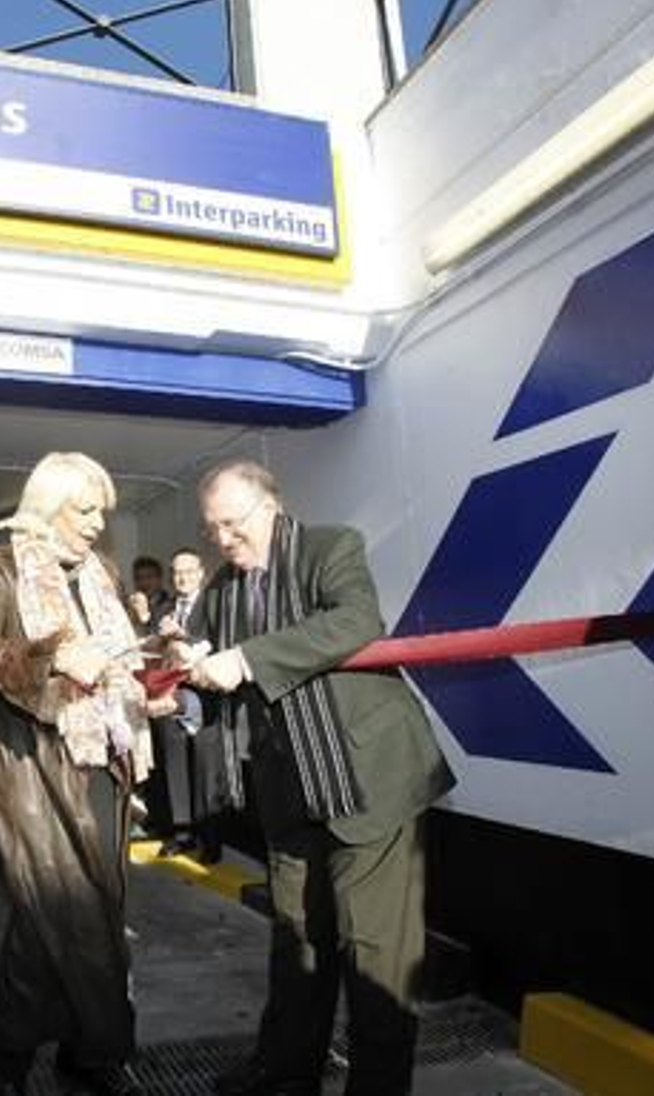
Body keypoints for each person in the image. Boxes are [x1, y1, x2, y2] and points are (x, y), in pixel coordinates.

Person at [182, 460, 455, 1096]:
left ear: (270, 505)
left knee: (375, 951)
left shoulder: (331, 547)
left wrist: (247, 659)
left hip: (369, 777)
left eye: (232, 523)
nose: (222, 539)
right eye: (211, 528)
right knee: (297, 936)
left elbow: (357, 622)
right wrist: (186, 664)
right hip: (288, 787)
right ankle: (286, 1070)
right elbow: (204, 658)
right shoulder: (221, 589)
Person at [0, 452, 175, 1096]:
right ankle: (14, 1061)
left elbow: (119, 661)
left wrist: (155, 680)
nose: (96, 524)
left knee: (95, 910)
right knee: (48, 912)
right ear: (49, 508)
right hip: (32, 760)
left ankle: (78, 1053)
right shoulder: (3, 565)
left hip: (103, 758)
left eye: (101, 512)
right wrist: (51, 658)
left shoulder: (103, 573)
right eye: (84, 511)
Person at [149, 546, 226, 863]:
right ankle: (181, 834)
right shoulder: (163, 608)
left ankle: (211, 840)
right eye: (176, 572)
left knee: (207, 770)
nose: (181, 578)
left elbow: (221, 644)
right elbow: (155, 650)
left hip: (205, 698)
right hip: (170, 695)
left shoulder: (214, 604)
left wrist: (183, 636)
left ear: (201, 573)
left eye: (188, 571)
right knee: (174, 765)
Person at [126, 555, 171, 629]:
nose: (144, 582)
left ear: (159, 578)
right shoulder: (131, 606)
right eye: (139, 578)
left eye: (149, 577)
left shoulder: (170, 606)